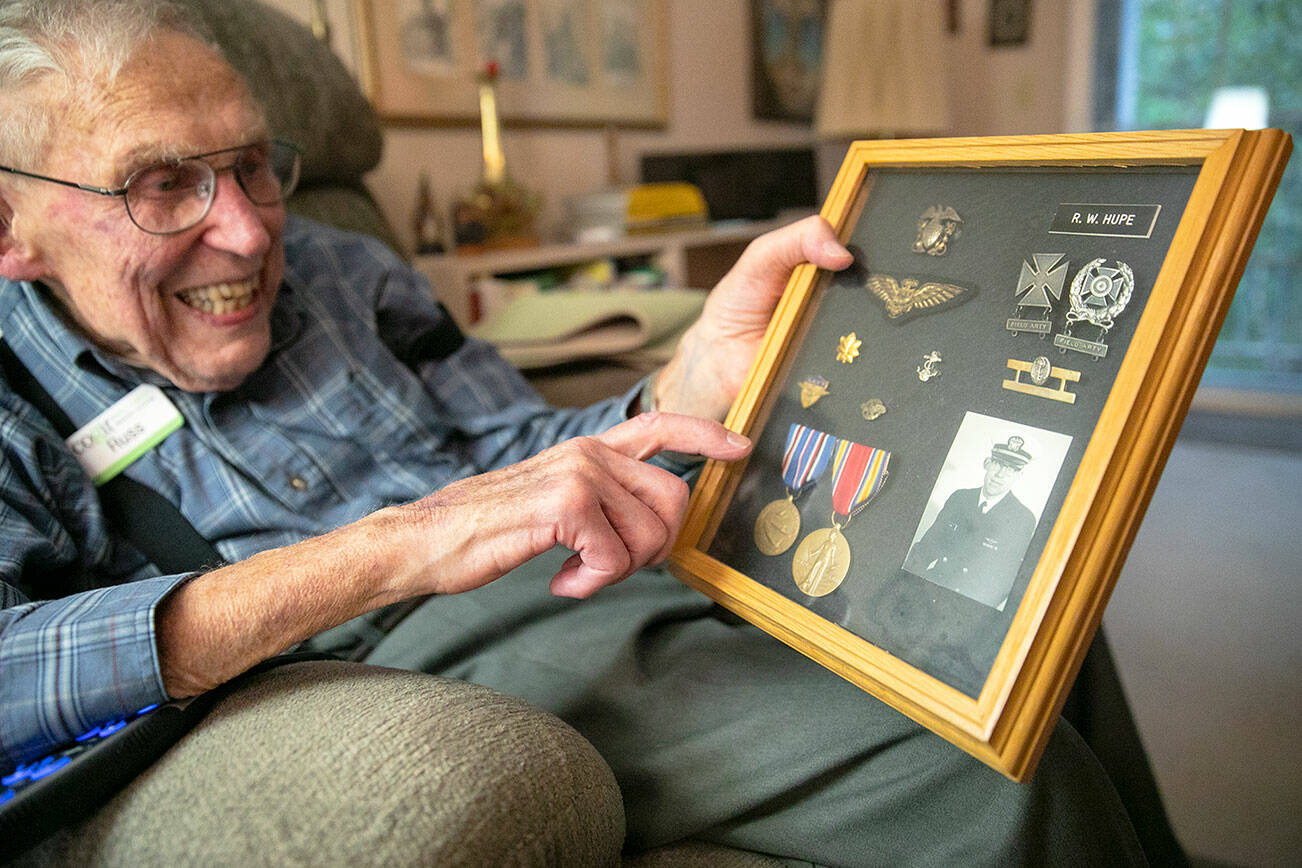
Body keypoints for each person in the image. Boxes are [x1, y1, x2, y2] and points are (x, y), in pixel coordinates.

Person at [0, 1, 1158, 864]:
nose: (250, 234)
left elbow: (519, 445)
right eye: (163, 185)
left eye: (255, 165)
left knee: (1028, 596)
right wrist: (402, 541)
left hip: (565, 557)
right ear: (14, 223)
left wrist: (681, 392)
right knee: (988, 771)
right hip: (374, 646)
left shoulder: (348, 271)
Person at [904, 436, 1038, 610]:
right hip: (928, 590)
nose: (1000, 475)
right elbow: (926, 547)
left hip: (965, 606)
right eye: (997, 463)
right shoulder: (960, 498)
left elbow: (1005, 580)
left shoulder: (1022, 519)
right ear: (987, 464)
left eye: (1011, 469)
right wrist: (908, 584)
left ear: (1019, 475)